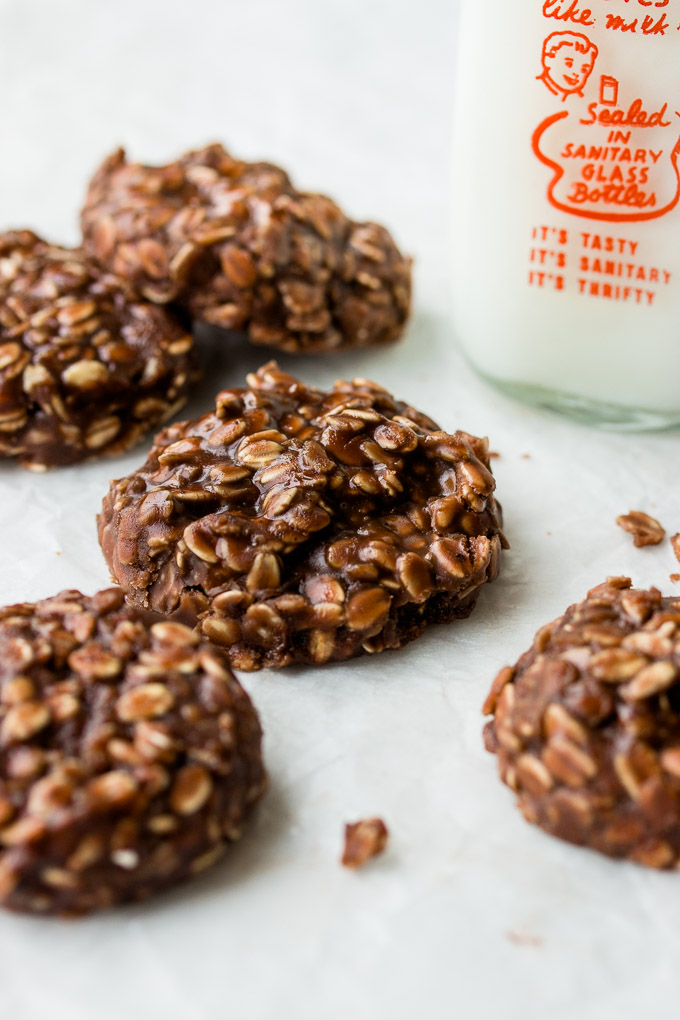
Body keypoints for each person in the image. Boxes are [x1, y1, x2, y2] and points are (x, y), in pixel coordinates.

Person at [538, 32, 598, 101]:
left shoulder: (583, 99)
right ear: (549, 58)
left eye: (584, 70)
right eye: (569, 64)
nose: (576, 73)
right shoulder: (532, 87)